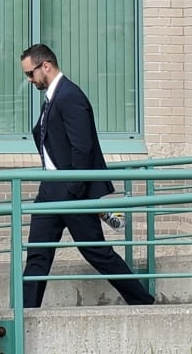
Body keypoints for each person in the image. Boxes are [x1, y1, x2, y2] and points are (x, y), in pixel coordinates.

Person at [19, 43, 154, 308]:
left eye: (30, 74)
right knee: (37, 255)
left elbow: (82, 146)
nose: (30, 80)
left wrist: (74, 191)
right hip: (50, 190)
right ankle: (24, 314)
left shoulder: (70, 95)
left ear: (45, 65)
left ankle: (143, 302)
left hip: (69, 191)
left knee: (97, 253)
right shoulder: (53, 98)